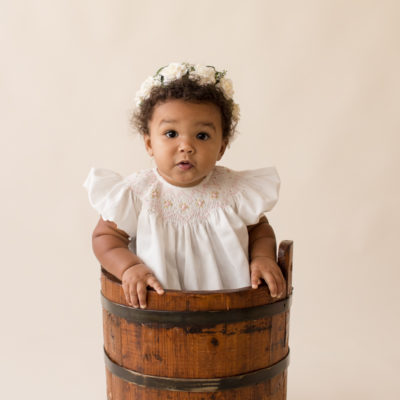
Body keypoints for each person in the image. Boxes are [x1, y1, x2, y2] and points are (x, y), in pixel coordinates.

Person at [84, 62, 286, 309]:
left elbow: (259, 231)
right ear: (149, 143)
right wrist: (129, 267)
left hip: (230, 309)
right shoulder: (137, 193)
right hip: (160, 311)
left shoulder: (233, 191)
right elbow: (105, 237)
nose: (186, 146)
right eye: (171, 134)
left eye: (202, 136)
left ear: (221, 147)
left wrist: (263, 256)